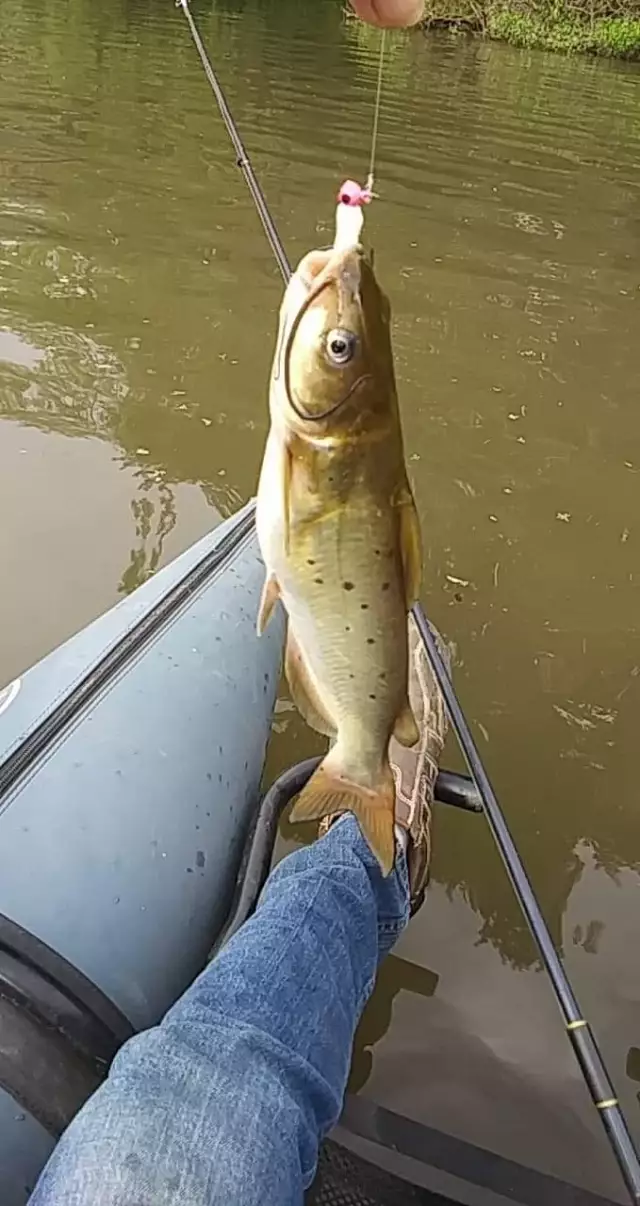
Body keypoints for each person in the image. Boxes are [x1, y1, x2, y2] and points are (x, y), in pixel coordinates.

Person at [29, 5, 435, 1203]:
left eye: (345, 345)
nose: (337, 311)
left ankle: (367, 786)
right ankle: (371, 839)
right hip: (330, 560)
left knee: (186, 1104)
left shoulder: (326, 437)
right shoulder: (323, 433)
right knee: (215, 1076)